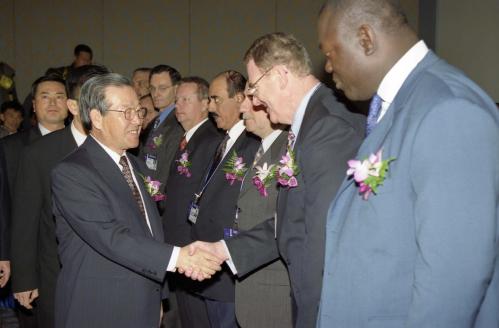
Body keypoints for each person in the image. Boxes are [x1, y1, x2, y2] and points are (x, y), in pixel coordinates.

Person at [316, 1, 499, 327]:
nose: (328, 68)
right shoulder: (400, 104)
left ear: (366, 39)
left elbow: (453, 278)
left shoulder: (448, 109)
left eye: (330, 54)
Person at [192, 32, 365, 327]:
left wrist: (309, 315)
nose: (254, 100)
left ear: (281, 76)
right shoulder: (308, 123)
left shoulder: (326, 126)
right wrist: (225, 250)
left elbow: (323, 236)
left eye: (255, 88)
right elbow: (290, 218)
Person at [50, 73, 222, 327]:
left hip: (142, 304)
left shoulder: (134, 164)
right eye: (126, 112)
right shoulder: (73, 172)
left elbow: (150, 231)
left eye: (139, 112)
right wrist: (179, 258)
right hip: (99, 308)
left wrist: (159, 299)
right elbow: (111, 236)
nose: (137, 121)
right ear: (96, 117)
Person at [10, 65, 109, 327]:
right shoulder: (39, 153)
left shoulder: (118, 147)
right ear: (75, 103)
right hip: (57, 271)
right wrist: (25, 279)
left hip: (108, 274)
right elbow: (25, 221)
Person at [190, 70, 260, 327]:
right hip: (213, 268)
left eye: (216, 99)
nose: (209, 107)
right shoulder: (224, 140)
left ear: (240, 99)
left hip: (230, 270)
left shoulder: (252, 143)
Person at [226, 84, 291, 327]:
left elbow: (289, 219)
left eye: (251, 99)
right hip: (251, 279)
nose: (242, 107)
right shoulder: (259, 148)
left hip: (273, 287)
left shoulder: (290, 149)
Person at [163, 76, 223, 328]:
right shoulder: (185, 138)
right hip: (178, 248)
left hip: (193, 247)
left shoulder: (210, 140)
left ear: (204, 104)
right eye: (177, 100)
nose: (179, 106)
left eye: (186, 100)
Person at [139, 65, 184, 212]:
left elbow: (167, 171)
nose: (156, 94)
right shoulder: (156, 121)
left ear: (177, 89)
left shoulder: (178, 123)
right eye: (152, 89)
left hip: (160, 205)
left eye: (162, 88)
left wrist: (157, 205)